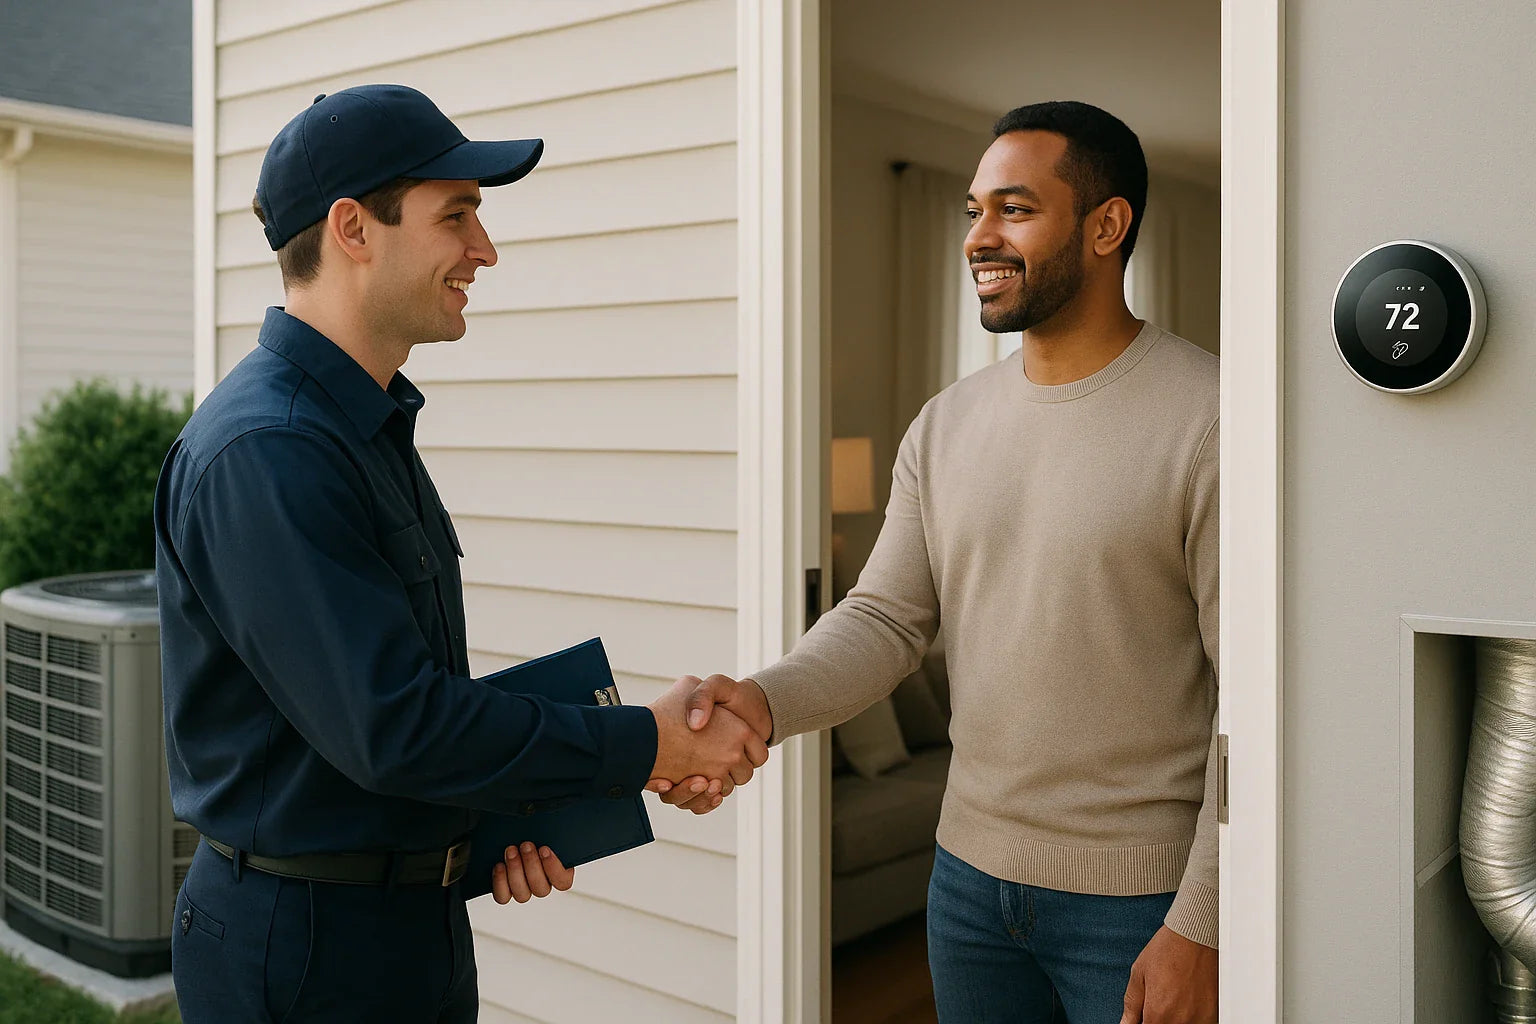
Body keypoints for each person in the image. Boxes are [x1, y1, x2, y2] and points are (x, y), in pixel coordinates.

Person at [154, 84, 767, 1024]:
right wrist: (646, 743)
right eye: (458, 215)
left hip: (406, 926)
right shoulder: (268, 452)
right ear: (354, 228)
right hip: (307, 955)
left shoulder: (360, 426)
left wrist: (502, 819)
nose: (483, 250)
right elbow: (395, 727)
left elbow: (385, 720)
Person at [660, 101, 1220, 1024]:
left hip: (1139, 906)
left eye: (1014, 208)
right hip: (966, 887)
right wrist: (761, 700)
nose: (979, 237)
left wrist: (1201, 921)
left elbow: (1249, 698)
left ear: (1107, 226)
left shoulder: (1207, 419)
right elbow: (883, 619)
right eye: (971, 210)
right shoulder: (946, 423)